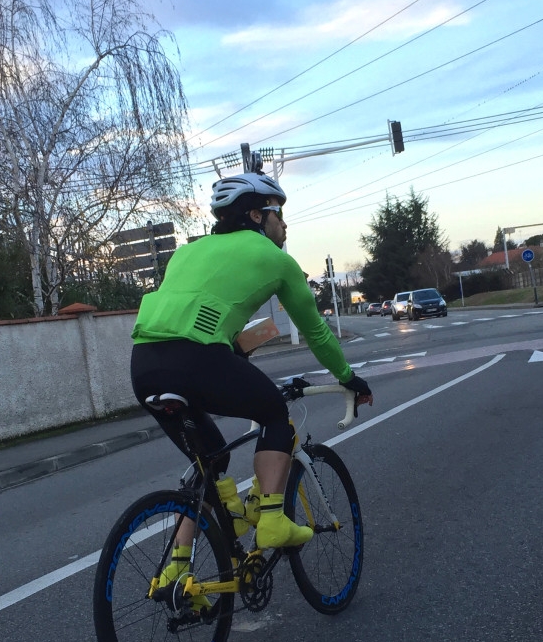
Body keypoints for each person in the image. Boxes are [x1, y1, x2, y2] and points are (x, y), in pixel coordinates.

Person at [130, 172, 373, 605]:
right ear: (258, 216)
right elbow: (316, 332)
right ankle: (273, 518)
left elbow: (203, 317)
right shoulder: (276, 259)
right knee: (274, 414)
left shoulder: (187, 252)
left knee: (211, 462)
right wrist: (349, 377)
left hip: (145, 365)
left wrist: (234, 357)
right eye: (280, 214)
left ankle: (176, 571)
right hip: (198, 360)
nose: (285, 225)